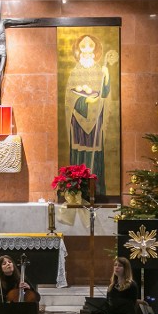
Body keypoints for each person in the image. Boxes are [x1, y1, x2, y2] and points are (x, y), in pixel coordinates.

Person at [65, 33, 119, 194]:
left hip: (96, 118)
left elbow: (105, 94)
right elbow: (69, 96)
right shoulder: (75, 71)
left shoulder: (99, 69)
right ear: (78, 51)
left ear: (96, 50)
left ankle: (96, 189)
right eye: (83, 46)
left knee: (95, 150)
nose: (87, 50)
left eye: (90, 46)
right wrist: (84, 102)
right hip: (78, 119)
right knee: (79, 150)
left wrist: (107, 76)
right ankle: (78, 188)